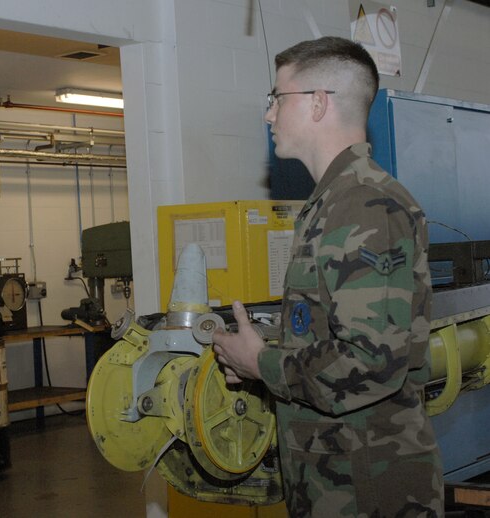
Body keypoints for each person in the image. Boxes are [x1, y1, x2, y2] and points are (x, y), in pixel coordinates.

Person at [212, 37, 444, 516]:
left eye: (277, 98)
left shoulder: (364, 204)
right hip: (335, 477)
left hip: (368, 486)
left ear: (318, 103)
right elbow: (329, 333)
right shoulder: (334, 200)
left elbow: (373, 361)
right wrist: (256, 357)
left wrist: (263, 364)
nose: (269, 114)